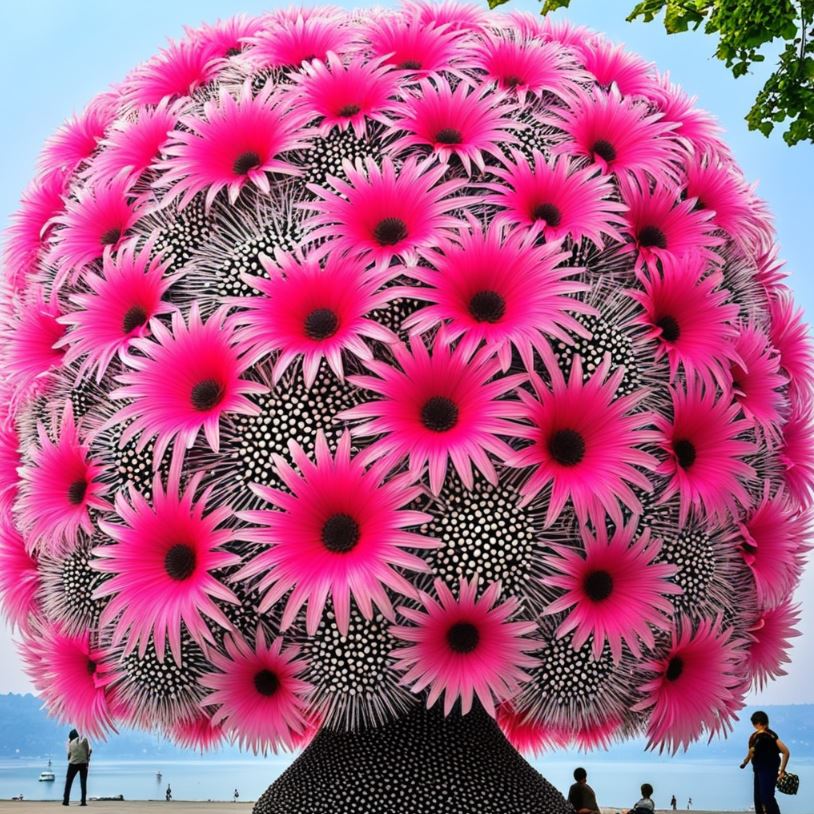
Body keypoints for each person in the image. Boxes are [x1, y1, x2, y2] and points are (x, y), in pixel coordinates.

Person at [740, 710, 790, 814]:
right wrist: (782, 770)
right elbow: (786, 752)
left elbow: (751, 751)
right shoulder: (771, 736)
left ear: (756, 723)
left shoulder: (763, 736)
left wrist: (745, 761)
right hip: (761, 770)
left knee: (766, 798)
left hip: (767, 771)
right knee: (760, 798)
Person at [62, 728, 91, 807]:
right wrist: (87, 759)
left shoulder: (70, 743)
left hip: (73, 764)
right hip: (83, 763)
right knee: (83, 782)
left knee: (68, 782)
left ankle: (66, 800)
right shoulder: (84, 740)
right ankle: (83, 801)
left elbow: (68, 755)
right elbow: (89, 751)